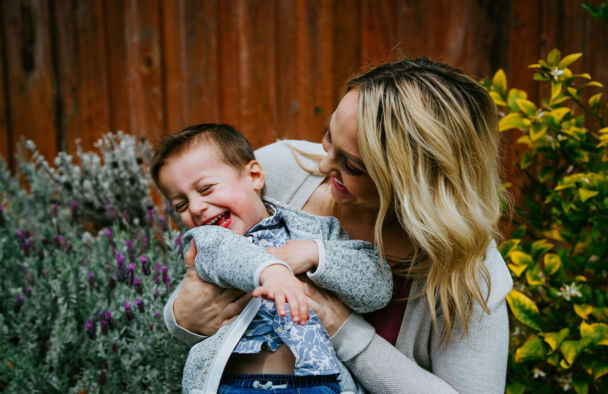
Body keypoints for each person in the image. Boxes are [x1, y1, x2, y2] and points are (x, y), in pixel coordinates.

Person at [164, 58, 514, 393]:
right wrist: (183, 317)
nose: (322, 165)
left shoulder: (471, 278)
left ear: (416, 186)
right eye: (328, 137)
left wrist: (345, 332)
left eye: (353, 166)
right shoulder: (280, 170)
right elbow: (206, 272)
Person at [151, 123, 392, 393]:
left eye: (206, 189)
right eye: (181, 205)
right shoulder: (207, 244)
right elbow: (230, 255)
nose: (195, 208)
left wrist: (316, 254)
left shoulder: (316, 232)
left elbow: (376, 286)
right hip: (239, 386)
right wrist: (270, 270)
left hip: (319, 383)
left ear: (254, 176)